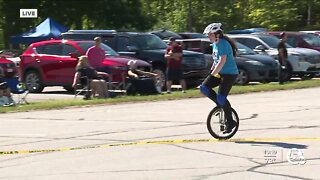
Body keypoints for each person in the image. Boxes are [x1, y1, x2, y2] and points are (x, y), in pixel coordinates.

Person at [200, 23, 239, 133]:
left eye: (210, 34)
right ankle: (220, 104)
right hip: (220, 72)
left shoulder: (224, 44)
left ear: (217, 34)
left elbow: (222, 61)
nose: (208, 36)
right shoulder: (215, 44)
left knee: (221, 98)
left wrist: (213, 74)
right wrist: (211, 72)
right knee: (204, 88)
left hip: (230, 74)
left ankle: (231, 122)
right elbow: (216, 61)